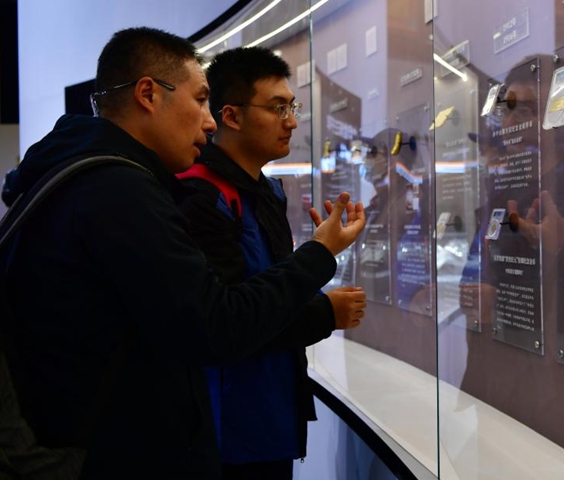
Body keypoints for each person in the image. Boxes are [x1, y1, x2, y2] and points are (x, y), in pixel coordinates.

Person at [0, 27, 364, 480]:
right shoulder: (118, 191)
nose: (209, 122)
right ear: (148, 94)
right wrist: (320, 256)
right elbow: (216, 324)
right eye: (200, 99)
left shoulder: (82, 178)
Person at [176, 46, 366, 480]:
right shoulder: (200, 195)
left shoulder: (264, 191)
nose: (292, 121)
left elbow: (267, 289)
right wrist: (324, 305)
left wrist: (317, 252)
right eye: (278, 108)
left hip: (268, 412)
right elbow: (230, 321)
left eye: (292, 106)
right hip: (228, 427)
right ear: (232, 116)